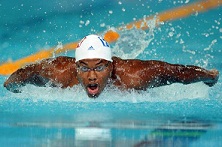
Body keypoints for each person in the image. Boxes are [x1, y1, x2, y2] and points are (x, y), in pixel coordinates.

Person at [4, 34, 219, 98]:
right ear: (76, 67)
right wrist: (10, 85)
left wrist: (209, 76)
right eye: (84, 68)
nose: (91, 76)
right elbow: (29, 72)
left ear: (110, 65)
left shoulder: (132, 76)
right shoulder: (61, 72)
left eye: (99, 68)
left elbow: (175, 72)